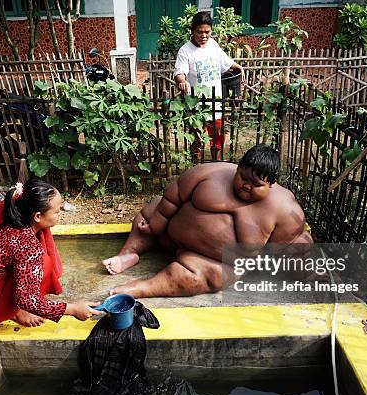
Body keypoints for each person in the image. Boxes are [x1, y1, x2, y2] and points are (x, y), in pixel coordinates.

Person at [102, 145, 313, 298]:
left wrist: (310, 273)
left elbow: (296, 244)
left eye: (255, 184)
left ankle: (142, 288)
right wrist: (155, 225)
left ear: (272, 184)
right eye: (242, 177)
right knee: (149, 213)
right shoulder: (211, 173)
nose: (246, 186)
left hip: (209, 262)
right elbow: (172, 197)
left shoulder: (284, 209)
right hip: (170, 235)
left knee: (207, 277)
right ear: (238, 168)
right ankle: (128, 254)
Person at [0, 179, 100, 326]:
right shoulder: (27, 247)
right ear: (38, 216)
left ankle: (13, 307)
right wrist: (73, 309)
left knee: (34, 265)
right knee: (44, 264)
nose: (59, 215)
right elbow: (26, 299)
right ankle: (16, 312)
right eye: (57, 212)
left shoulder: (12, 213)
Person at [173, 11, 244, 160]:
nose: (204, 36)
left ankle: (216, 166)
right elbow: (179, 73)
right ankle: (196, 170)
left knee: (218, 138)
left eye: (207, 32)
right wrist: (182, 81)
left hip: (215, 102)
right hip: (197, 105)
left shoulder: (213, 45)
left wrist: (239, 68)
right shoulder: (185, 51)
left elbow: (226, 62)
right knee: (196, 139)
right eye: (199, 32)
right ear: (192, 31)